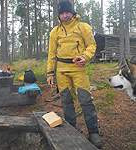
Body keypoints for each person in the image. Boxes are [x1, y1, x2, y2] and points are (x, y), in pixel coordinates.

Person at [47, 0, 103, 148]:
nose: (65, 15)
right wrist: (49, 73)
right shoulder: (55, 31)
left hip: (78, 67)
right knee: (66, 100)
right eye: (62, 13)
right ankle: (71, 129)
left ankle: (93, 132)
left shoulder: (83, 27)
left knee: (85, 99)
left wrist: (85, 57)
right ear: (59, 15)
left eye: (67, 12)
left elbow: (92, 44)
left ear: (72, 12)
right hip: (61, 70)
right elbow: (51, 54)